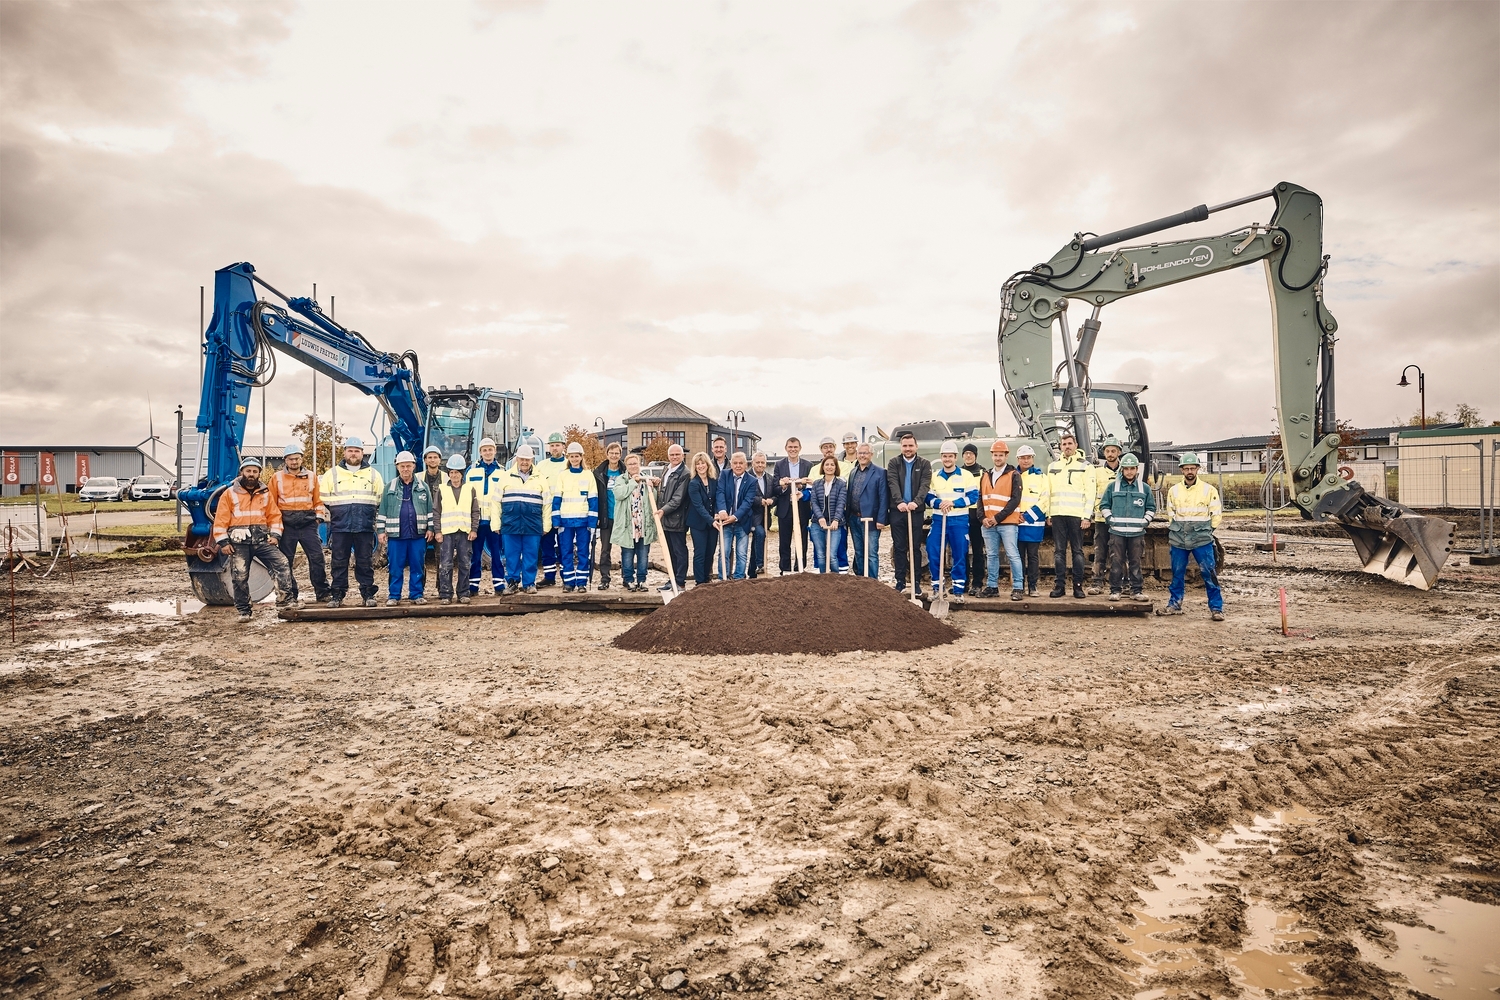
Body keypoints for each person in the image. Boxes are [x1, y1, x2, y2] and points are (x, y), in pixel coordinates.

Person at [212, 455, 295, 622]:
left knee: (281, 563)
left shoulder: (265, 493)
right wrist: (223, 542)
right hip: (239, 543)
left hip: (262, 541)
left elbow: (274, 516)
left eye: (255, 471)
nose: (251, 474)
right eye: (248, 471)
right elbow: (220, 519)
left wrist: (275, 535)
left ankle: (285, 602)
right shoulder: (229, 494)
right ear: (241, 472)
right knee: (240, 576)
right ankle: (244, 611)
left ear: (259, 473)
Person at [319, 436, 383, 608]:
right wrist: (340, 512)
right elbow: (324, 498)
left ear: (362, 453)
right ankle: (337, 594)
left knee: (365, 561)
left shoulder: (373, 475)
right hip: (341, 526)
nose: (353, 454)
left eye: (357, 451)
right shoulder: (331, 474)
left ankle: (367, 593)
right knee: (339, 561)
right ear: (345, 452)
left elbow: (379, 499)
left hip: (364, 526)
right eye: (350, 450)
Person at [1161, 452, 1224, 619]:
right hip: (1179, 538)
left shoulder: (1208, 490)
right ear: (1182, 470)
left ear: (1197, 469)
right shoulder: (1174, 491)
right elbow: (1171, 514)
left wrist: (1206, 531)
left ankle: (1216, 608)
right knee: (1177, 573)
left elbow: (1216, 515)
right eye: (1186, 468)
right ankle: (1174, 604)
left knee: (1209, 573)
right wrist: (1178, 529)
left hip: (1201, 539)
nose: (1190, 471)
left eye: (1192, 468)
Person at [268, 441, 328, 604]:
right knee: (286, 561)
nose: (294, 462)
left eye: (296, 458)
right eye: (290, 459)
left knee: (317, 557)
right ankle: (291, 594)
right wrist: (275, 526)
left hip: (308, 524)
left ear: (301, 459)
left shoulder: (312, 476)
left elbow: (318, 500)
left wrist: (318, 518)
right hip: (286, 525)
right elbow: (271, 504)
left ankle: (322, 592)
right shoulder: (276, 478)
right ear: (285, 461)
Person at [377, 450, 435, 605]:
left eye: (408, 466)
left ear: (414, 466)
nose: (405, 469)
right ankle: (394, 595)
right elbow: (383, 511)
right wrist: (381, 531)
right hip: (396, 536)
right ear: (397, 467)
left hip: (418, 535)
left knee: (417, 566)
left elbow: (430, 509)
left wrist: (430, 528)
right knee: (395, 567)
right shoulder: (389, 487)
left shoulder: (423, 487)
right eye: (402, 466)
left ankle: (416, 594)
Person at [926, 441, 979, 600]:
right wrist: (938, 503)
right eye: (944, 456)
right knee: (933, 552)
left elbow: (973, 497)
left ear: (955, 457)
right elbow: (928, 497)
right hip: (938, 520)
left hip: (959, 521)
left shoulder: (966, 476)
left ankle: (958, 591)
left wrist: (953, 503)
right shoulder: (934, 476)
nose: (947, 459)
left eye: (950, 456)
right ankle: (938, 588)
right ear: (941, 457)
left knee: (959, 554)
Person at [1046, 430, 1095, 599]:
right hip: (1058, 515)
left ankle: (1078, 587)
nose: (1067, 447)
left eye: (1069, 444)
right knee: (1059, 552)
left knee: (1077, 552)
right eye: (1064, 444)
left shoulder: (1085, 466)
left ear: (1076, 445)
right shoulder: (1053, 467)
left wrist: (1086, 516)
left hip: (1076, 516)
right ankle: (1059, 586)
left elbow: (1090, 493)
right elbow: (1049, 492)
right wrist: (1049, 514)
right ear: (1060, 447)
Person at [1099, 452, 1155, 602]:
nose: (1129, 472)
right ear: (1122, 470)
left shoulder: (1144, 488)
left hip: (1137, 533)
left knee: (1135, 563)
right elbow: (1104, 505)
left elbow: (1151, 508)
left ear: (1137, 469)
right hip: (1117, 532)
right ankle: (1115, 590)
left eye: (1132, 468)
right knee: (1116, 562)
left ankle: (1136, 591)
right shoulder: (1113, 487)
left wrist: (1144, 522)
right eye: (1126, 469)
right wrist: (1110, 520)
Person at [498, 444, 551, 593]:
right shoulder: (505, 477)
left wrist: (546, 525)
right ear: (517, 459)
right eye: (522, 459)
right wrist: (496, 524)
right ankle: (512, 583)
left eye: (527, 459)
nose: (524, 462)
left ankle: (529, 583)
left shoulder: (540, 479)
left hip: (533, 524)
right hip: (510, 523)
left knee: (531, 555)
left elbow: (547, 504)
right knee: (511, 555)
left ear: (532, 460)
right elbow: (496, 502)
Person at [886, 432, 932, 594]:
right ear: (901, 447)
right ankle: (900, 581)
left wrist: (916, 502)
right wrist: (899, 502)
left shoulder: (924, 464)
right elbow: (892, 483)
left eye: (910, 445)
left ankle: (916, 582)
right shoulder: (894, 463)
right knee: (899, 547)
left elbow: (925, 485)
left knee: (915, 547)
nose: (908, 449)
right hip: (897, 511)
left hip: (916, 512)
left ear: (916, 447)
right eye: (905, 446)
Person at [979, 440, 1024, 600]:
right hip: (988, 524)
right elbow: (980, 498)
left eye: (1001, 455)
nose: (998, 458)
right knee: (991, 556)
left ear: (1006, 456)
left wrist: (996, 518)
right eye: (995, 455)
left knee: (1013, 555)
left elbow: (1015, 500)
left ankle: (1018, 587)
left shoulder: (1014, 475)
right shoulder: (985, 475)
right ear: (992, 456)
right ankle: (992, 586)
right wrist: (982, 518)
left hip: (1007, 523)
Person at [553, 441, 599, 593]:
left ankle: (581, 583)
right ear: (568, 458)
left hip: (583, 521)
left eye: (577, 456)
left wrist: (592, 522)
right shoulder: (562, 475)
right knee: (565, 552)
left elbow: (593, 500)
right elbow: (557, 499)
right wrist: (556, 520)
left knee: (583, 552)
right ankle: (568, 582)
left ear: (581, 457)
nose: (574, 459)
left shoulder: (588, 475)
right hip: (565, 522)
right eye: (571, 456)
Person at [465, 437, 508, 597]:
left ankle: (499, 585)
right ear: (480, 452)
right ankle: (473, 587)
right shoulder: (471, 471)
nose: (488, 452)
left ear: (495, 451)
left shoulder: (502, 472)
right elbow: (466, 496)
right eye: (485, 450)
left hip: (494, 521)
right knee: (475, 555)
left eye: (490, 449)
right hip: (476, 522)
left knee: (496, 555)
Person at [434, 454, 479, 605]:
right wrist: (438, 531)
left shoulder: (470, 489)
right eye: (451, 472)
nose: (454, 476)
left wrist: (474, 529)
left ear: (462, 473)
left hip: (465, 532)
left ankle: (463, 593)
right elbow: (436, 511)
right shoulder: (442, 489)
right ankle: (446, 594)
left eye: (457, 472)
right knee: (446, 564)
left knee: (465, 563)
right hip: (446, 533)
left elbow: (475, 511)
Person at [610, 453, 656, 591]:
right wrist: (633, 481)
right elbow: (619, 494)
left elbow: (653, 500)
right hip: (628, 525)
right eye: (630, 464)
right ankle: (628, 579)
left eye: (635, 463)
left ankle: (642, 580)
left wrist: (653, 488)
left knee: (643, 554)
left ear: (639, 464)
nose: (633, 466)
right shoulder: (621, 480)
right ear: (626, 466)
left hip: (643, 524)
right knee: (627, 554)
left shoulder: (646, 478)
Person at [1087, 436, 1124, 595]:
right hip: (1101, 519)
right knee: (1100, 552)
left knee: (1120, 554)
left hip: (1120, 519)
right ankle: (1097, 583)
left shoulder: (1126, 471)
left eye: (1113, 451)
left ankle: (1122, 584)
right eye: (1107, 451)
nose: (1110, 454)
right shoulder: (1097, 473)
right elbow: (1091, 493)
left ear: (1119, 452)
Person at [847, 443, 888, 579]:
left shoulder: (880, 472)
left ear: (871, 455)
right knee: (859, 552)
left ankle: (873, 582)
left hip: (871, 519)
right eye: (860, 453)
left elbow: (883, 497)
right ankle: (861, 582)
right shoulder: (853, 472)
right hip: (854, 518)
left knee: (871, 553)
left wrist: (881, 519)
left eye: (865, 453)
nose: (862, 456)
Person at [773, 438, 814, 572]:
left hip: (802, 507)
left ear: (800, 448)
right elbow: (775, 487)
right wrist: (784, 486)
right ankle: (785, 569)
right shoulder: (779, 465)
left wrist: (801, 486)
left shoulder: (808, 465)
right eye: (790, 447)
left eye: (795, 447)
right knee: (784, 541)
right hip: (785, 508)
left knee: (802, 539)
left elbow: (810, 486)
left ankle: (799, 568)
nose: (793, 449)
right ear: (786, 448)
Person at [716, 451, 758, 580]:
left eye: (741, 463)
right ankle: (723, 578)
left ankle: (739, 579)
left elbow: (748, 502)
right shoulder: (724, 474)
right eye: (735, 463)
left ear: (746, 465)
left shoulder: (752, 481)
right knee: (724, 551)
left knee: (742, 552)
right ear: (731, 464)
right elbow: (720, 493)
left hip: (742, 521)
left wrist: (735, 517)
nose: (738, 466)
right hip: (725, 521)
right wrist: (722, 510)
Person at [655, 443, 690, 591]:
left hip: (676, 518)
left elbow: (677, 499)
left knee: (679, 551)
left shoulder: (685, 473)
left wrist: (663, 510)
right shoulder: (666, 469)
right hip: (665, 519)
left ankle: (680, 581)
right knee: (669, 551)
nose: (674, 457)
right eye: (672, 455)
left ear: (682, 456)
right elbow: (664, 491)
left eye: (677, 454)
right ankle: (672, 579)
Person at [535, 432, 568, 587]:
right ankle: (549, 577)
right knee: (547, 545)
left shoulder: (568, 464)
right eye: (552, 445)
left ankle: (566, 576)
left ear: (563, 446)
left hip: (564, 512)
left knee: (564, 546)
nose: (555, 448)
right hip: (546, 512)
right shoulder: (542, 466)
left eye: (557, 445)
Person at [1016, 445, 1048, 597]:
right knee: (1018, 557)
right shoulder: (1012, 475)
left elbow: (1045, 499)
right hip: (1016, 523)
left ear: (1033, 459)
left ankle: (1033, 586)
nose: (1026, 460)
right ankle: (1019, 586)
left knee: (1033, 556)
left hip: (1034, 524)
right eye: (1023, 458)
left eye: (1028, 457)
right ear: (1018, 459)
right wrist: (1015, 515)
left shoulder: (1041, 477)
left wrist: (1027, 516)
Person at [593, 442, 625, 589]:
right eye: (611, 453)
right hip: (607, 516)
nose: (614, 456)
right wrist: (598, 516)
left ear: (620, 455)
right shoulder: (599, 473)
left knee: (626, 548)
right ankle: (605, 578)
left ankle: (627, 577)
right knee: (605, 549)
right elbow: (596, 496)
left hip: (622, 517)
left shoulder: (625, 471)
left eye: (617, 453)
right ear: (607, 454)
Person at [808, 454, 848, 573]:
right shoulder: (816, 484)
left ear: (836, 467)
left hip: (835, 524)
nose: (829, 467)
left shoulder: (841, 484)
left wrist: (836, 520)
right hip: (817, 524)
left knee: (832, 556)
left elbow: (841, 503)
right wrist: (820, 518)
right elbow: (814, 502)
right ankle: (823, 580)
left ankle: (835, 580)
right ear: (823, 467)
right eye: (827, 464)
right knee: (821, 555)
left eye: (832, 465)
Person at [687, 451, 719, 585]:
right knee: (700, 552)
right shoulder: (693, 483)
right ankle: (699, 582)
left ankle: (707, 578)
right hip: (698, 524)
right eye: (698, 464)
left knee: (710, 552)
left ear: (708, 464)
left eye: (703, 463)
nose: (700, 466)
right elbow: (698, 506)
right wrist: (711, 521)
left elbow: (717, 499)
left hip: (713, 523)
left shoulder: (713, 481)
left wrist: (717, 514)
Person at [961, 443, 988, 590]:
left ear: (975, 456)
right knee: (962, 551)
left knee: (978, 551)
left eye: (971, 453)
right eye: (966, 453)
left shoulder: (983, 472)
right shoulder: (958, 472)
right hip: (961, 514)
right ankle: (963, 583)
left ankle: (977, 583)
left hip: (977, 515)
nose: (968, 456)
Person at [748, 452, 777, 578]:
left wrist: (772, 500)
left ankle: (751, 572)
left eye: (762, 462)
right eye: (757, 462)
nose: (760, 465)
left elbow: (776, 495)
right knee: (760, 534)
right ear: (752, 463)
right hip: (751, 515)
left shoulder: (770, 478)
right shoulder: (747, 476)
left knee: (757, 541)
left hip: (765, 516)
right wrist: (759, 501)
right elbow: (746, 495)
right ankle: (760, 565)